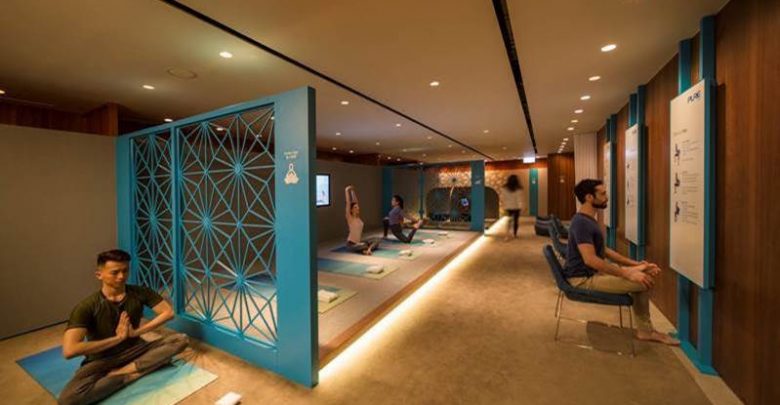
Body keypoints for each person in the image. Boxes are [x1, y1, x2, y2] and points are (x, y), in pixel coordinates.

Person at [58, 249, 189, 405]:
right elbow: (69, 350)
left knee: (180, 340)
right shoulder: (86, 307)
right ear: (99, 275)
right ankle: (135, 373)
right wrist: (117, 339)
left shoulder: (139, 292)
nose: (121, 276)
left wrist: (136, 332)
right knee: (67, 400)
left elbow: (168, 313)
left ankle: (122, 373)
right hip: (101, 359)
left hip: (136, 350)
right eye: (115, 272)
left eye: (125, 271)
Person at [564, 179, 679, 345]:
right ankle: (645, 331)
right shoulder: (582, 223)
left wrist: (635, 265)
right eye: (602, 194)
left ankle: (645, 330)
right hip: (582, 279)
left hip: (592, 274)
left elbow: (604, 251)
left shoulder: (587, 220)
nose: (606, 197)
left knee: (641, 276)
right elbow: (591, 260)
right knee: (642, 282)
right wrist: (628, 273)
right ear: (589, 197)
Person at [344, 185, 381, 255]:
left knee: (377, 239)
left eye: (358, 207)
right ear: (351, 210)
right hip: (351, 244)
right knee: (363, 245)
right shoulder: (349, 218)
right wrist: (346, 190)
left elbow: (356, 201)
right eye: (355, 207)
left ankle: (368, 250)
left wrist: (352, 191)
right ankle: (366, 249)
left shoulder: (358, 217)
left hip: (359, 242)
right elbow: (348, 203)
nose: (357, 208)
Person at [501, 174, 524, 240]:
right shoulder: (519, 188)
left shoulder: (504, 188)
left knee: (508, 221)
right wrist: (521, 207)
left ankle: (507, 235)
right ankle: (514, 234)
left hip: (508, 207)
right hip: (516, 207)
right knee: (516, 221)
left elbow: (503, 198)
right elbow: (519, 199)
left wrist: (503, 206)